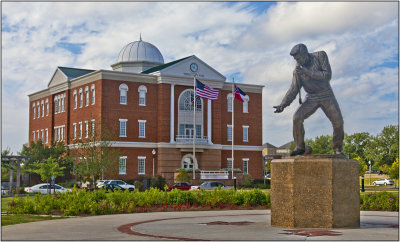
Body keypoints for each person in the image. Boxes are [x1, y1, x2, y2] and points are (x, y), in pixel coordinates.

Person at [273, 43, 344, 156]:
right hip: (311, 98)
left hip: (326, 95)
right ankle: (300, 147)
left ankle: (337, 149)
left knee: (338, 122)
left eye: (298, 58)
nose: (297, 61)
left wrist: (307, 72)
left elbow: (327, 75)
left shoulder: (320, 56)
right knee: (297, 117)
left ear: (305, 54)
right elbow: (293, 89)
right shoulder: (297, 71)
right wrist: (283, 104)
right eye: (295, 59)